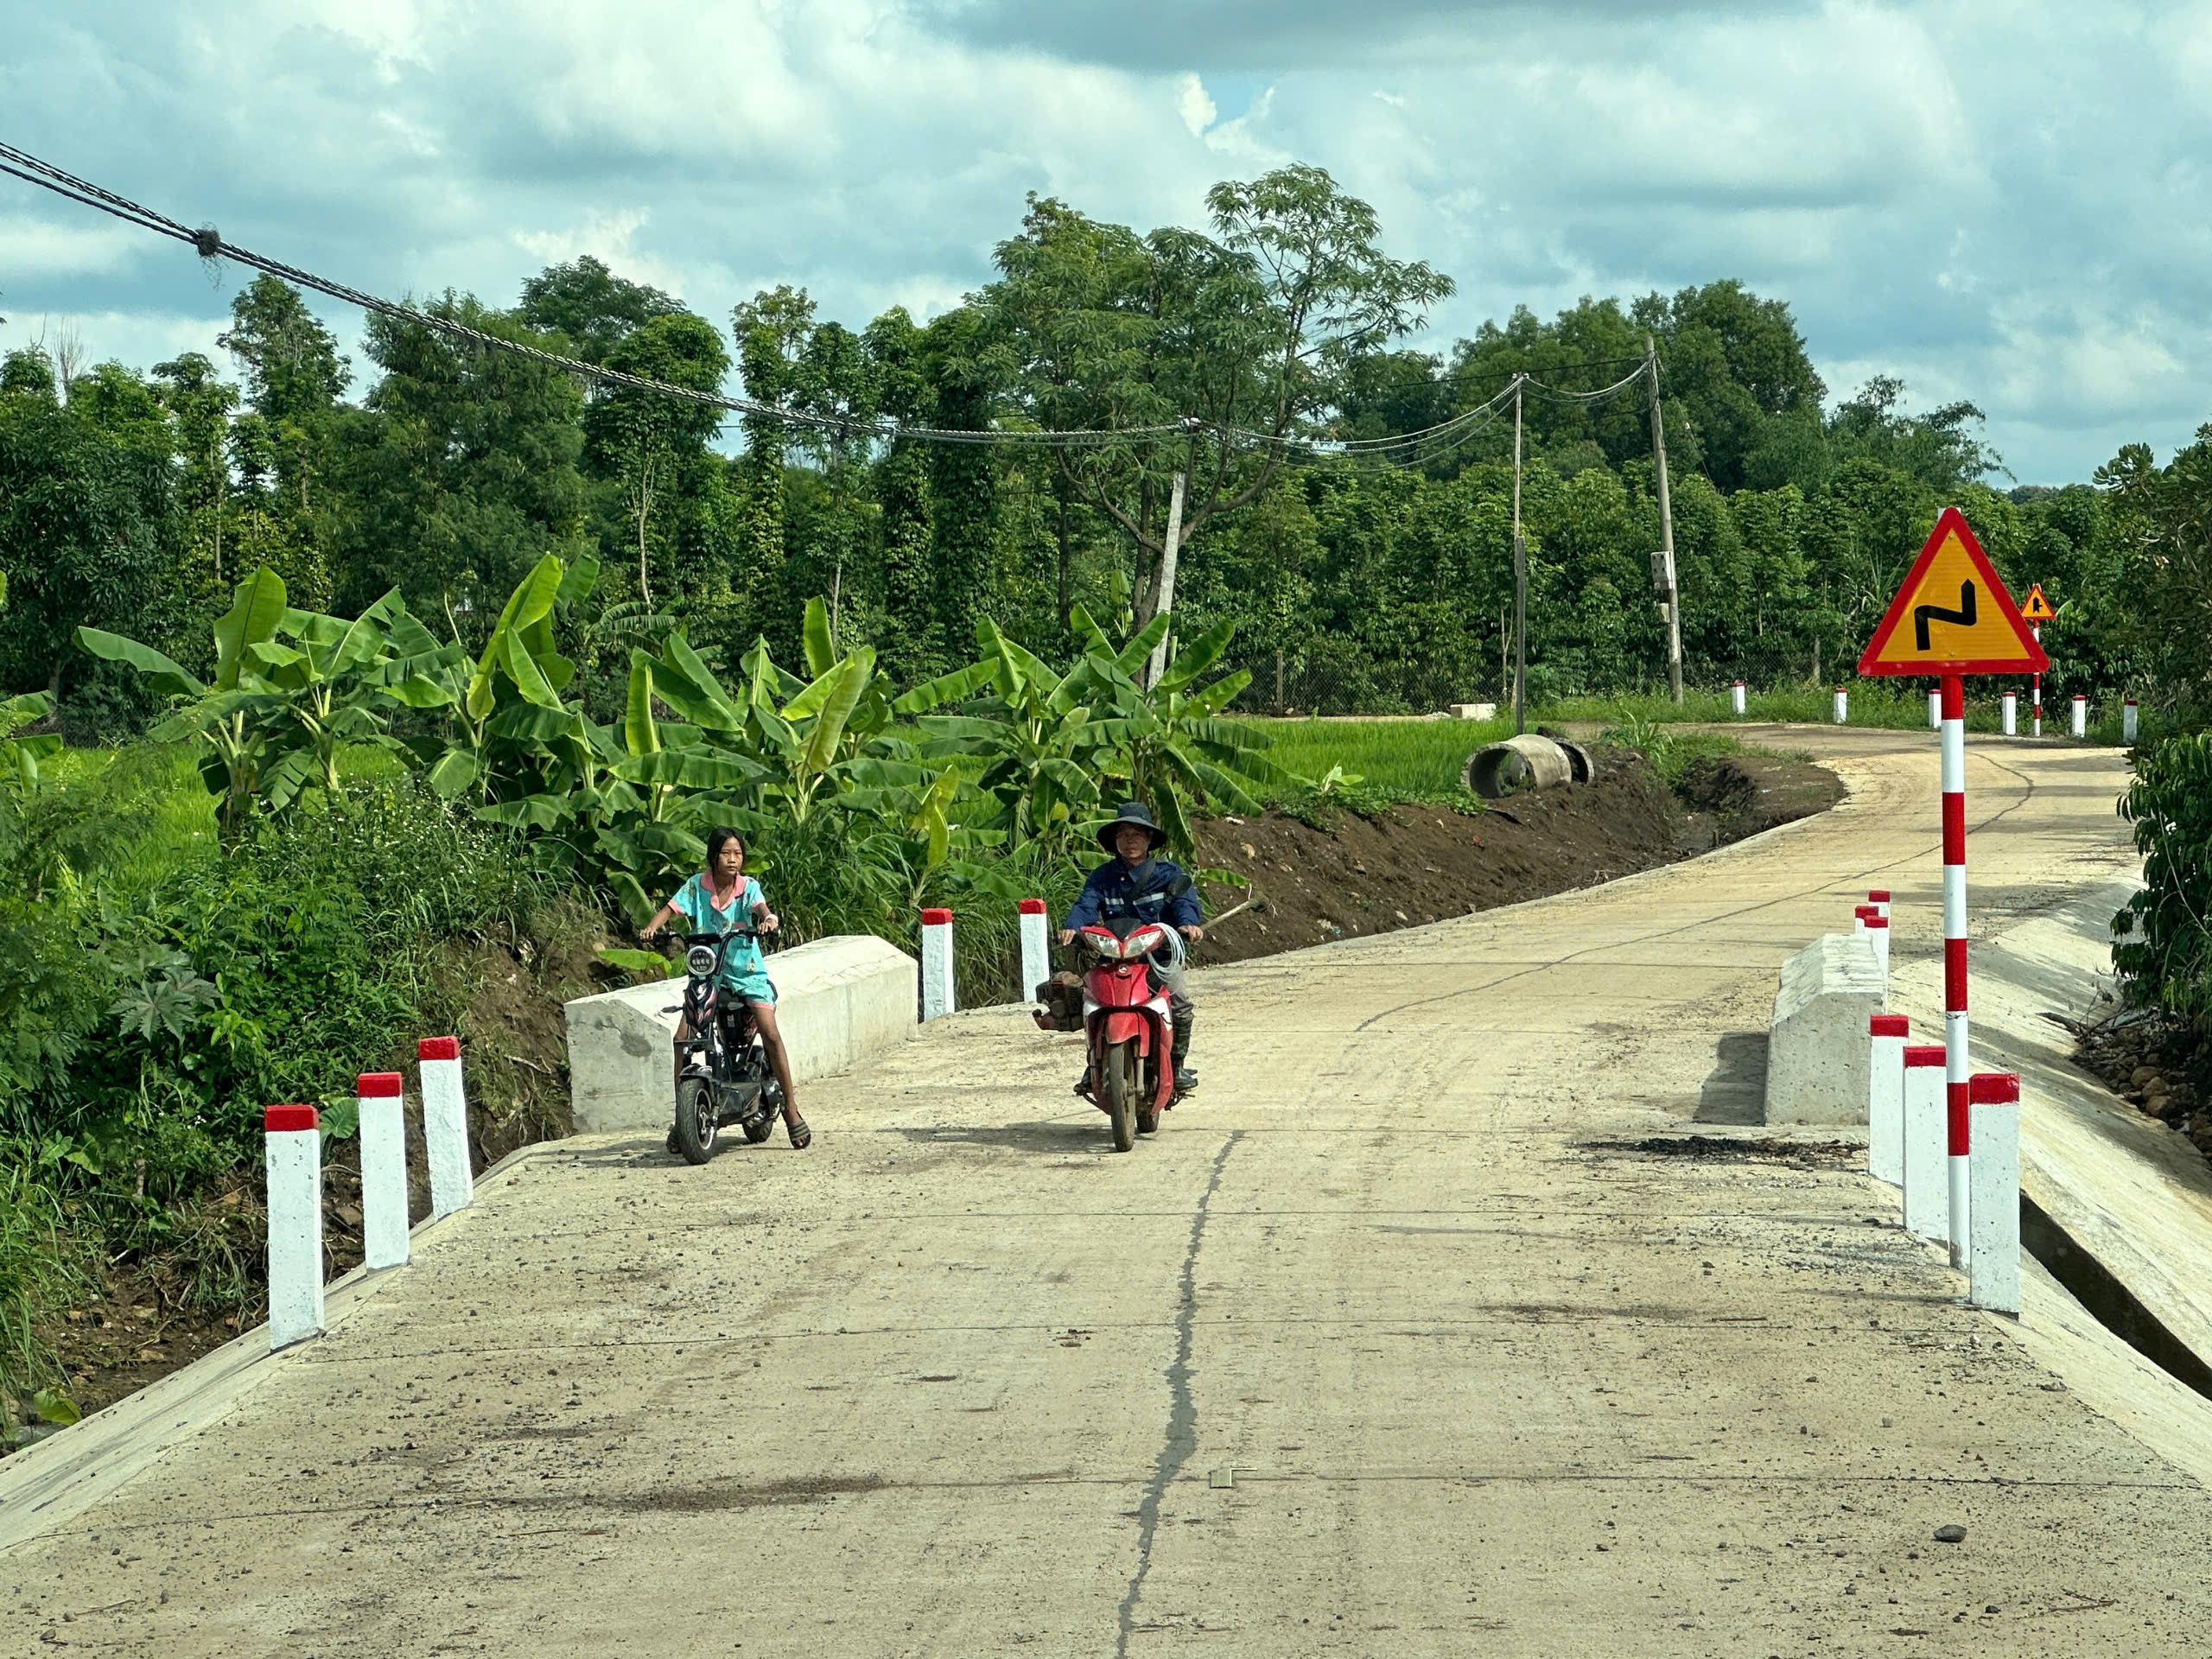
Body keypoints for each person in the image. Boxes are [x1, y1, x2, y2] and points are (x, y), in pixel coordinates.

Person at [641, 828, 810, 1149]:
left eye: (738, 854)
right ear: (713, 856)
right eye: (725, 853)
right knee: (682, 1038)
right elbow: (671, 909)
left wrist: (768, 920)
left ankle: (791, 1109)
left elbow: (762, 909)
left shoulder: (749, 888)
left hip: (746, 971)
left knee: (769, 1031)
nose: (732, 860)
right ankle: (682, 1118)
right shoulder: (696, 886)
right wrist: (652, 928)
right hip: (707, 975)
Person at [1058, 800, 1205, 1096]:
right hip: (1113, 959)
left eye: (1137, 834)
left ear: (1149, 839)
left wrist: (1188, 925)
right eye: (1124, 834)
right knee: (1090, 1004)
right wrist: (1072, 926)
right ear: (1114, 841)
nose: (1130, 841)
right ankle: (1094, 1064)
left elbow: (1185, 904)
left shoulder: (1169, 874)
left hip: (1157, 959)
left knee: (1180, 1004)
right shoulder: (1102, 877)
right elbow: (1086, 905)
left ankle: (1176, 1065)